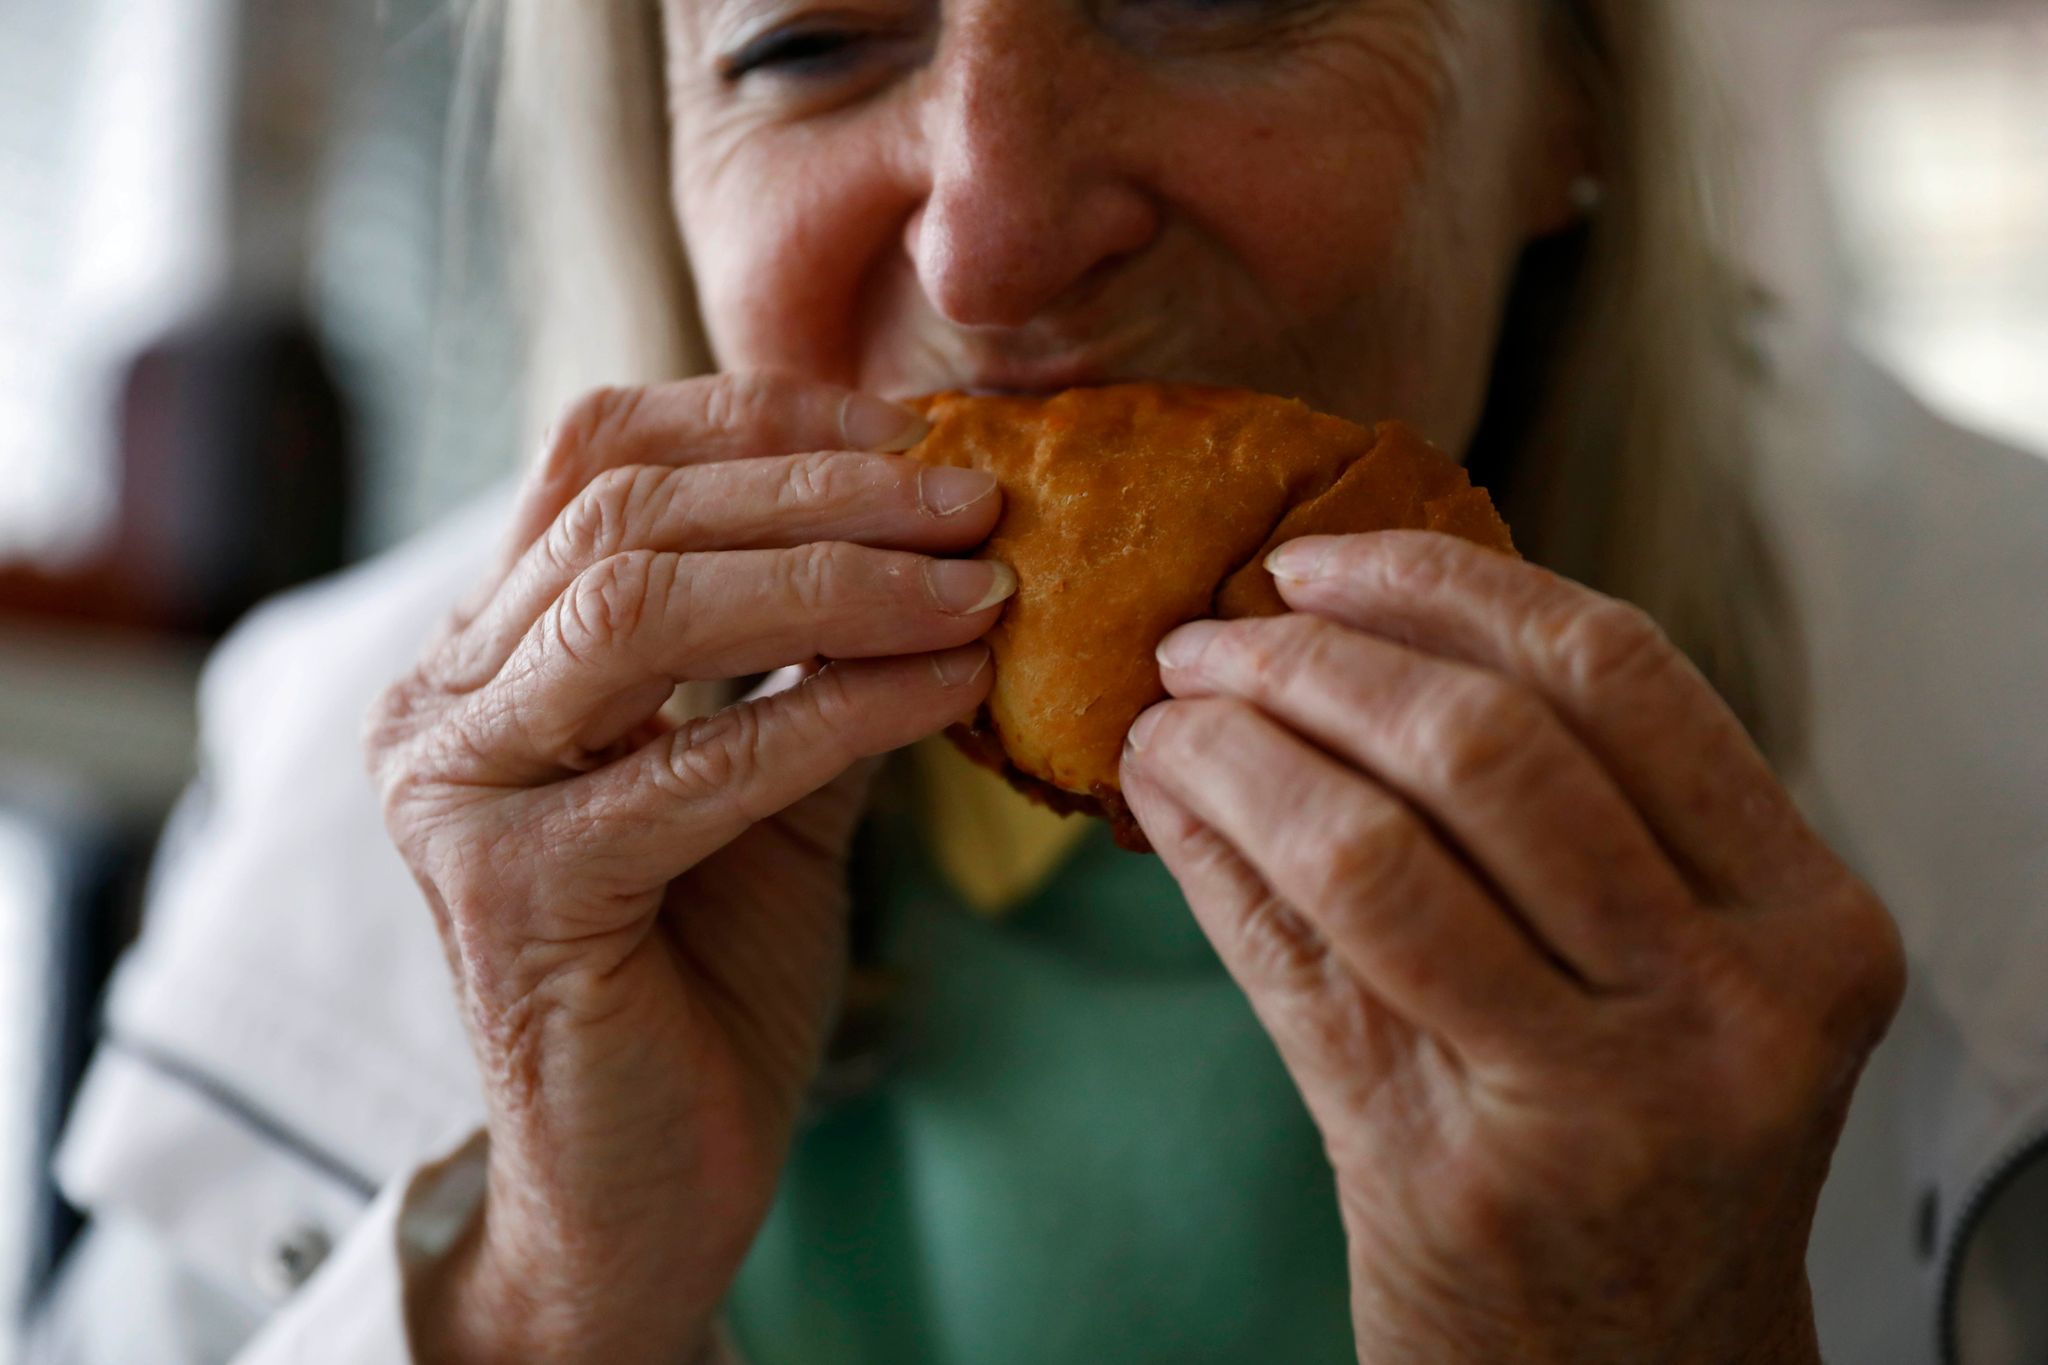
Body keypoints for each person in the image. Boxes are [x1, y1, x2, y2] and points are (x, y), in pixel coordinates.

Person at [22, 0, 2048, 1361]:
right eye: (806, 42)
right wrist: (531, 1303)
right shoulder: (352, 774)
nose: (990, 241)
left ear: (1570, 93)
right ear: (659, 162)